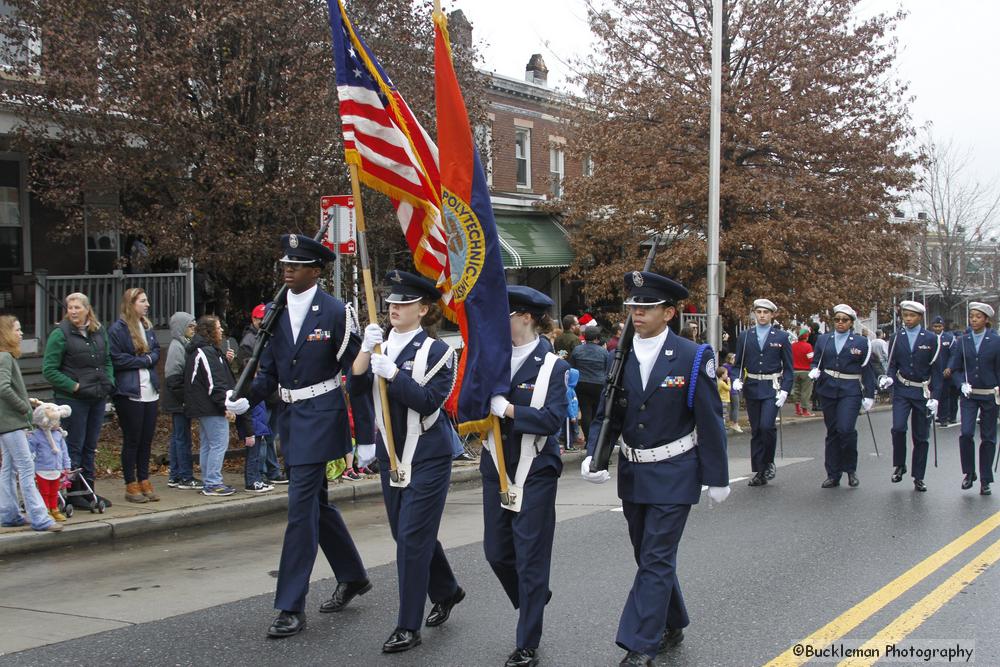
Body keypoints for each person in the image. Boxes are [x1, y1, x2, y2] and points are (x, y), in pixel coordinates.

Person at [581, 272, 729, 667]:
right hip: (634, 472)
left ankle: (640, 643)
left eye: (646, 308)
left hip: (676, 470)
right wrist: (595, 454)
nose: (637, 314)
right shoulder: (620, 355)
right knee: (648, 555)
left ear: (669, 313)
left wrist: (717, 476)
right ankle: (672, 619)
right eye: (633, 308)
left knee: (657, 558)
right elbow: (609, 413)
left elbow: (710, 419)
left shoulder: (693, 356)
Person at [226, 233, 369, 639]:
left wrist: (368, 430)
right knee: (316, 506)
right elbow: (267, 372)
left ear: (316, 270)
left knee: (300, 510)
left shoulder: (336, 311)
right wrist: (244, 399)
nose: (287, 270)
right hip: (291, 416)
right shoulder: (275, 310)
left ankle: (290, 605)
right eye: (285, 264)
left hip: (322, 416)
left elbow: (355, 374)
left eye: (297, 264)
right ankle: (353, 575)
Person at [350, 269, 462, 654]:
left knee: (411, 540)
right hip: (390, 454)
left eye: (404, 303)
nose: (394, 308)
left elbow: (430, 401)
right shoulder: (380, 346)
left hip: (427, 455)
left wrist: (394, 373)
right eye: (392, 302)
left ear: (424, 309)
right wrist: (366, 350)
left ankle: (407, 626)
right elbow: (356, 385)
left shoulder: (439, 351)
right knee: (405, 534)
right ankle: (447, 589)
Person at [481, 286, 569, 667]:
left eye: (506, 312)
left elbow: (553, 419)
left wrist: (510, 410)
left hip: (534, 468)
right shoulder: (490, 360)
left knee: (530, 557)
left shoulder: (553, 366)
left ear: (526, 317)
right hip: (495, 465)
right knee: (497, 552)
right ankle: (534, 596)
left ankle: (527, 641)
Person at [41, 292, 115, 508]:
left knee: (90, 446)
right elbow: (49, 370)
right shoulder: (60, 334)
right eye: (70, 307)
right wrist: (74, 386)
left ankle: (88, 490)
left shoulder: (99, 331)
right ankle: (73, 493)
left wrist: (108, 381)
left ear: (87, 309)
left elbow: (107, 359)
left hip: (97, 395)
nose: (73, 311)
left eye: (77, 307)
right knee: (75, 445)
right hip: (73, 400)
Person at [0, 316, 62, 532]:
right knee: (26, 467)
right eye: (17, 330)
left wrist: (27, 401)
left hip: (5, 423)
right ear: (6, 333)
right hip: (12, 423)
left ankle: (8, 513)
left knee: (8, 469)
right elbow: (3, 388)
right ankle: (39, 517)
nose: (20, 334)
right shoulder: (5, 358)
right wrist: (24, 408)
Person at [808, 304, 876, 488]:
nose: (840, 323)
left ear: (851, 322)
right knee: (832, 432)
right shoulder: (824, 339)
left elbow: (868, 370)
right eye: (837, 319)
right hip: (828, 388)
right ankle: (833, 473)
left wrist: (870, 394)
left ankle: (850, 469)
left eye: (844, 320)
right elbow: (816, 361)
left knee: (845, 429)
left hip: (850, 389)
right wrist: (814, 370)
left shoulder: (861, 342)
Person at [878, 301, 941, 492]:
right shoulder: (897, 337)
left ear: (920, 317)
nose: (907, 319)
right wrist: (888, 378)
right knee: (898, 428)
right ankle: (899, 465)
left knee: (921, 436)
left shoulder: (931, 338)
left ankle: (918, 476)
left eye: (911, 316)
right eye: (905, 315)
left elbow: (936, 370)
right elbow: (892, 364)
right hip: (902, 390)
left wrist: (935, 397)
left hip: (922, 391)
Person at [108, 287, 161, 504]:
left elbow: (156, 351)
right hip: (129, 392)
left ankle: (144, 479)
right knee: (132, 439)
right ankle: (130, 483)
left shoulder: (147, 327)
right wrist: (143, 360)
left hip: (150, 391)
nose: (147, 304)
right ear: (131, 304)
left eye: (147, 300)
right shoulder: (118, 330)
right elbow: (117, 359)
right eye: (142, 301)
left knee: (146, 440)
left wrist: (148, 359)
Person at [732, 299, 793, 487]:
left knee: (767, 426)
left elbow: (789, 368)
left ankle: (768, 462)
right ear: (754, 314)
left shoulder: (781, 337)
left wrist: (785, 390)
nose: (762, 315)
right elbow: (738, 364)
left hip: (771, 387)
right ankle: (759, 470)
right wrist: (736, 378)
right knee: (757, 429)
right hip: (752, 386)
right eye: (758, 312)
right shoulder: (746, 335)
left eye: (766, 312)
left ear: (772, 315)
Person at [184, 315, 246, 497]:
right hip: (210, 406)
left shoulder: (205, 351)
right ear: (209, 331)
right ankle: (213, 482)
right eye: (218, 328)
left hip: (203, 405)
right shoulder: (207, 352)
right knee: (218, 443)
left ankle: (209, 480)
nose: (221, 331)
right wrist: (224, 406)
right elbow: (214, 383)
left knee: (208, 444)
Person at [946, 302, 999, 495]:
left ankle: (985, 479)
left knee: (988, 438)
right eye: (972, 316)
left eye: (978, 316)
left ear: (986, 319)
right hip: (969, 394)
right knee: (966, 433)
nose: (974, 320)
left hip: (989, 395)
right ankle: (969, 473)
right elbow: (955, 366)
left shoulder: (996, 341)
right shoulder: (962, 340)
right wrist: (961, 383)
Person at [238, 303, 288, 485]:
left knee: (271, 435)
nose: (263, 321)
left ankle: (271, 471)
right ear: (254, 319)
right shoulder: (249, 340)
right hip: (260, 395)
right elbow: (248, 369)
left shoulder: (271, 336)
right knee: (260, 436)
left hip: (274, 394)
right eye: (260, 318)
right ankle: (259, 474)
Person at [163, 312, 200, 489]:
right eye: (190, 326)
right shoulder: (177, 347)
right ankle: (185, 475)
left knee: (179, 436)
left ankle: (175, 475)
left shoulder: (184, 345)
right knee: (182, 438)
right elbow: (173, 379)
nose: (193, 330)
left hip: (180, 399)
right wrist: (184, 399)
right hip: (179, 400)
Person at [27, 402, 73, 522]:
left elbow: (64, 451)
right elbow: (30, 451)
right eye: (56, 421)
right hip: (42, 468)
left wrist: (66, 465)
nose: (58, 423)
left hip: (56, 468)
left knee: (54, 491)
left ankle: (54, 509)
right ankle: (45, 509)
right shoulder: (36, 435)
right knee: (44, 491)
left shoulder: (58, 435)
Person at [570, 326, 607, 440]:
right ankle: (596, 438)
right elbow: (607, 368)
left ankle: (588, 438)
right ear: (597, 338)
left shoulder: (577, 350)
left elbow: (573, 367)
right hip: (599, 384)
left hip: (581, 383)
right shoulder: (603, 352)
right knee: (597, 412)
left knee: (585, 411)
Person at [931, 316, 958, 427]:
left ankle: (943, 417)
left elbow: (953, 355)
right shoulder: (929, 337)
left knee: (944, 395)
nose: (937, 328)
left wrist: (949, 368)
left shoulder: (949, 338)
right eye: (935, 326)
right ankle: (928, 416)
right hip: (931, 373)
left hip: (944, 373)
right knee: (930, 396)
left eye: (939, 326)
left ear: (943, 326)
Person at [790, 327, 815, 417]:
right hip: (806, 371)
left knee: (796, 390)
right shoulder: (808, 346)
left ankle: (797, 409)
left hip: (794, 371)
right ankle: (805, 411)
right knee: (805, 391)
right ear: (806, 337)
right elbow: (811, 359)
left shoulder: (792, 346)